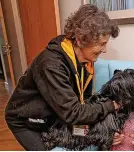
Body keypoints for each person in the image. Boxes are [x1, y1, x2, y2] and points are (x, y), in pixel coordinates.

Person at [5, 4, 120, 151]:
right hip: (26, 121)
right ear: (80, 40)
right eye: (101, 44)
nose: (104, 50)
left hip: (57, 115)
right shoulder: (51, 64)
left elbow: (83, 102)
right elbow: (74, 113)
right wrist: (112, 105)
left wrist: (103, 133)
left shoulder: (85, 61)